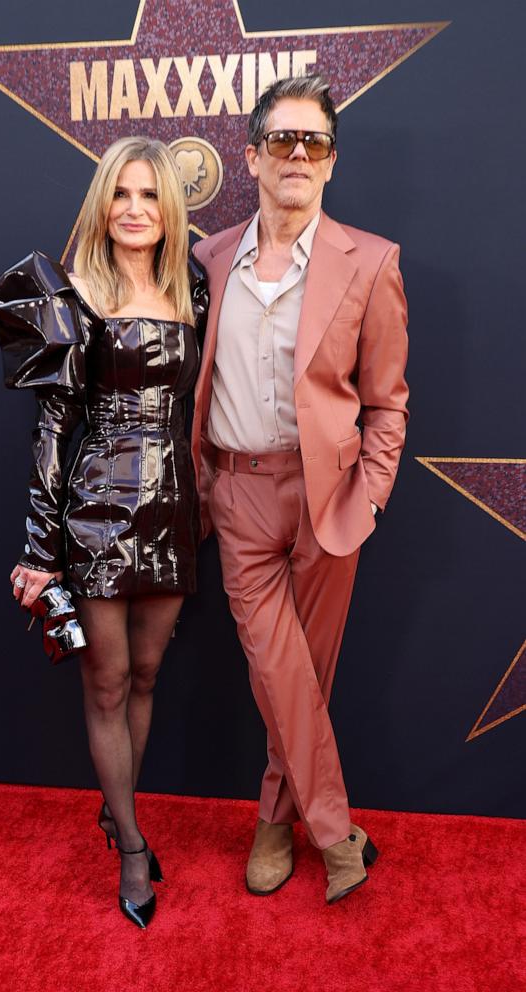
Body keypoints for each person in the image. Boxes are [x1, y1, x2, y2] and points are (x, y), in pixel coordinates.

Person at [191, 74, 409, 904]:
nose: (297, 154)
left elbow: (387, 399)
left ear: (330, 163)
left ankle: (274, 822)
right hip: (238, 493)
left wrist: (372, 494)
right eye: (280, 139)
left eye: (312, 141)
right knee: (277, 670)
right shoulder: (211, 258)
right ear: (250, 157)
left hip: (329, 499)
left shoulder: (372, 261)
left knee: (304, 677)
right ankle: (334, 832)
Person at [0, 136, 207, 929]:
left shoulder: (195, 286)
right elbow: (52, 428)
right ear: (102, 205)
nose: (135, 210)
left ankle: (118, 812)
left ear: (168, 208)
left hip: (174, 506)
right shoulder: (74, 293)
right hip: (97, 512)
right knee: (106, 683)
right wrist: (39, 550)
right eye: (121, 195)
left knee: (145, 677)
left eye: (150, 196)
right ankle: (133, 846)